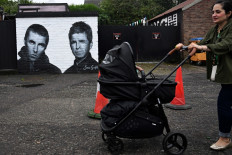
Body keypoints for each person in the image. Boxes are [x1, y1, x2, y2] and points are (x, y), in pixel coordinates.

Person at [176, 0, 232, 151]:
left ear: (229, 13)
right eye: (213, 12)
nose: (214, 15)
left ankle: (225, 138)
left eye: (218, 12)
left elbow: (226, 45)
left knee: (224, 103)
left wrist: (200, 46)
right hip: (227, 74)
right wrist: (188, 46)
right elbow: (204, 41)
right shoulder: (216, 29)